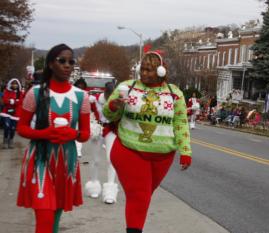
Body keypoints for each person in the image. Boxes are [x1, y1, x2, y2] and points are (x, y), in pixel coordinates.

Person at [103, 51, 192, 233]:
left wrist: (185, 151)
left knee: (143, 198)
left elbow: (181, 124)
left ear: (161, 71)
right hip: (130, 150)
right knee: (140, 197)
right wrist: (115, 105)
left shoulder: (175, 94)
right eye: (142, 69)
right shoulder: (127, 87)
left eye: (149, 70)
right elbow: (108, 114)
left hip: (163, 157)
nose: (144, 74)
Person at [16, 44, 90, 233]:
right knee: (45, 215)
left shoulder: (82, 97)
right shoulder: (35, 93)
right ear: (50, 64)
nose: (67, 65)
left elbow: (85, 134)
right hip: (39, 159)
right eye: (62, 61)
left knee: (54, 216)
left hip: (67, 161)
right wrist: (44, 134)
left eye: (71, 61)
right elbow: (21, 128)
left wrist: (73, 134)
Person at [85, 81, 119, 204]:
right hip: (97, 129)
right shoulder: (94, 101)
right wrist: (91, 126)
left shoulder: (116, 102)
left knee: (111, 159)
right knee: (95, 159)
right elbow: (89, 115)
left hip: (110, 130)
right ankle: (93, 185)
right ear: (105, 92)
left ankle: (110, 189)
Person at [0, 78, 24, 149]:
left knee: (13, 128)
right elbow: (4, 100)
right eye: (13, 84)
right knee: (7, 127)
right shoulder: (7, 91)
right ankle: (5, 140)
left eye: (16, 84)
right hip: (7, 112)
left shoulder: (20, 93)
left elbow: (20, 102)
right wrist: (12, 101)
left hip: (15, 113)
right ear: (10, 84)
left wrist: (12, 101)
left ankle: (11, 141)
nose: (14, 85)